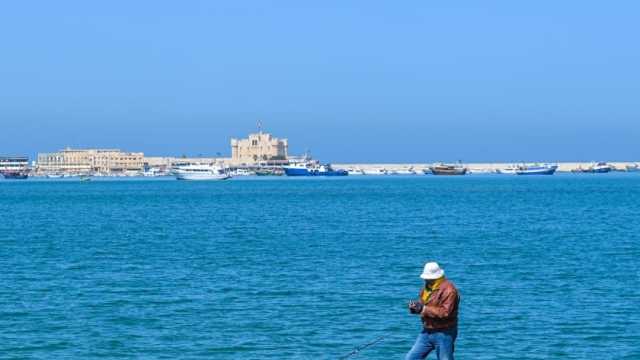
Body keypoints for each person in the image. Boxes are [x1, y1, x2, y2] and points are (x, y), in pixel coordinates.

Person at [405, 262, 460, 360]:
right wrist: (415, 308)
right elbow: (423, 304)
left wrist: (423, 309)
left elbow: (445, 312)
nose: (425, 279)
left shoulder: (449, 290)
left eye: (427, 277)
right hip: (427, 331)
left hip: (444, 333)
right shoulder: (426, 288)